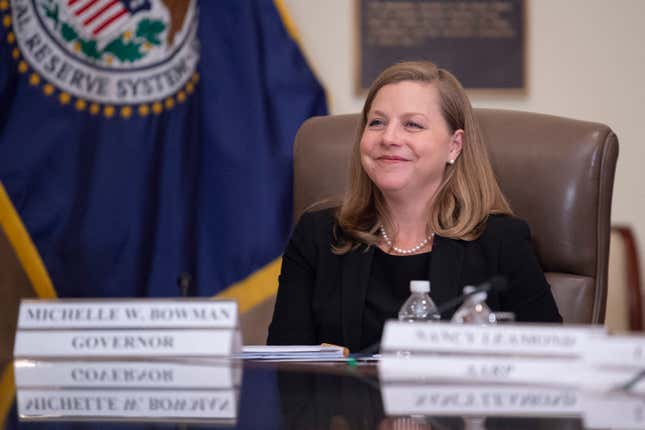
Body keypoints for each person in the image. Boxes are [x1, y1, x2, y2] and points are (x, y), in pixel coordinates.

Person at [267, 61, 562, 352]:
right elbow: (283, 368)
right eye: (377, 122)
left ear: (454, 146)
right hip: (339, 401)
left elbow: (553, 363)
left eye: (412, 124)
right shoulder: (319, 236)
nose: (389, 138)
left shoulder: (500, 242)